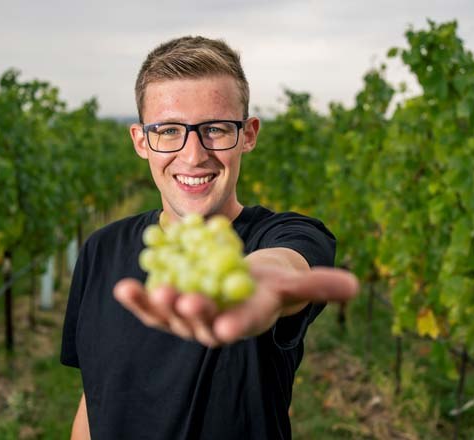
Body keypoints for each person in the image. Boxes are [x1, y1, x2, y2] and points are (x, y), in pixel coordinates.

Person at [60, 35, 359, 440]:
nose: (194, 154)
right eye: (168, 130)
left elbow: (288, 262)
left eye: (215, 129)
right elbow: (93, 395)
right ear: (141, 141)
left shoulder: (283, 236)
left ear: (249, 134)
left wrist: (257, 280)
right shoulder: (100, 249)